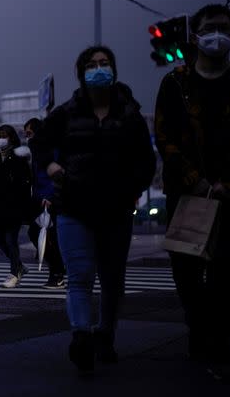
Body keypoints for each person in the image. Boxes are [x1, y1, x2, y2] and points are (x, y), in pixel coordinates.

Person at [154, 4, 230, 381]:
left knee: (223, 270)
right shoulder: (176, 83)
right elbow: (164, 136)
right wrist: (196, 179)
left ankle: (218, 339)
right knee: (185, 269)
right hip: (186, 193)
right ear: (196, 36)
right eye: (211, 27)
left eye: (226, 28)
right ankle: (198, 326)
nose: (219, 34)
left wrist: (227, 183)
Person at [34, 46, 156, 375]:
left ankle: (106, 333)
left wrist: (131, 189)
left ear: (114, 70)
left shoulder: (130, 113)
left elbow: (146, 161)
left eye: (104, 64)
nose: (98, 69)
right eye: (91, 65)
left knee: (113, 279)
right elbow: (40, 144)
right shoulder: (68, 112)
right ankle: (81, 337)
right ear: (82, 73)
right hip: (74, 205)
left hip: (116, 210)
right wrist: (53, 168)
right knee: (80, 276)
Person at [0, 124, 32, 289]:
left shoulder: (19, 158)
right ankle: (19, 265)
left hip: (14, 206)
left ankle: (14, 273)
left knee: (10, 240)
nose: (1, 138)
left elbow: (26, 184)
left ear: (12, 137)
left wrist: (23, 206)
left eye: (4, 135)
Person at [24, 118, 66, 289]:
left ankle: (57, 274)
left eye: (29, 133)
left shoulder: (49, 149)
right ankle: (56, 273)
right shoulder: (37, 150)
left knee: (47, 237)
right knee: (39, 235)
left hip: (50, 200)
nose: (27, 137)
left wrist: (51, 197)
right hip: (40, 200)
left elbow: (54, 175)